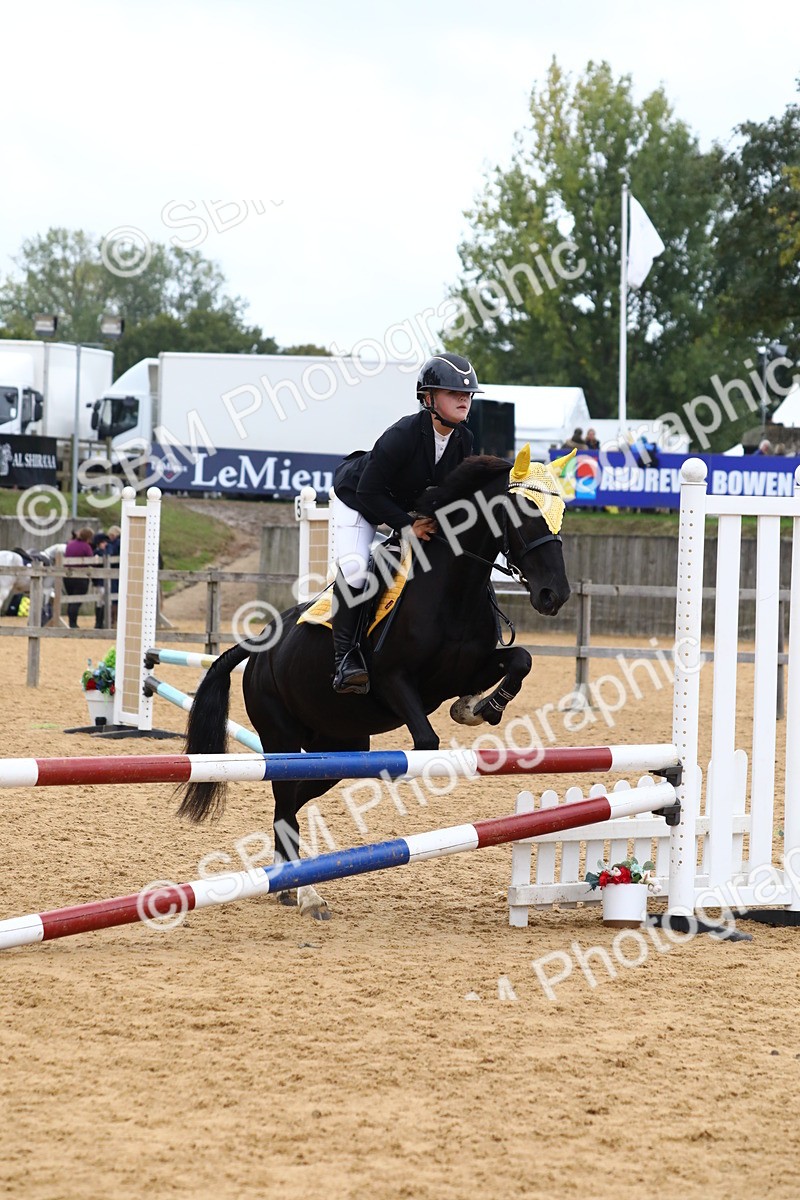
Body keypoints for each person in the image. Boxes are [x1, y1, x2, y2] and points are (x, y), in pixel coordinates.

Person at [330, 352, 478, 694]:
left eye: (467, 394)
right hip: (358, 499)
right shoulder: (403, 434)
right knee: (354, 567)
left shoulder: (464, 440)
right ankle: (345, 659)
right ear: (428, 398)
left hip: (400, 505)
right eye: (453, 392)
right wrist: (407, 527)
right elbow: (369, 492)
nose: (463, 399)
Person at [63, 527, 95, 629]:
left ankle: (71, 622)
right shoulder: (86, 546)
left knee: (71, 599)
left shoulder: (70, 544)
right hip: (80, 576)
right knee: (77, 599)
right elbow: (91, 560)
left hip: (67, 575)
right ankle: (73, 624)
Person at [91, 531, 110, 629]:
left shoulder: (103, 553)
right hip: (99, 581)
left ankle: (100, 622)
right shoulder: (97, 553)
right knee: (100, 602)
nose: (105, 544)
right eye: (103, 542)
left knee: (101, 602)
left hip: (102, 581)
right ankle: (98, 622)